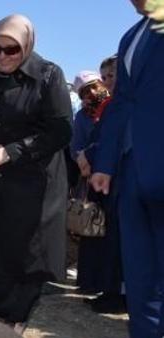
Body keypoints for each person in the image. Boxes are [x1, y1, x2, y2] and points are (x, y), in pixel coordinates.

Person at [0, 14, 72, 333]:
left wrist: (11, 151)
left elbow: (60, 130)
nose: (2, 56)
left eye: (11, 50)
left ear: (27, 46)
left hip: (33, 185)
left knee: (21, 254)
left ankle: (12, 323)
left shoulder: (48, 76)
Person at [89, 1, 164, 338]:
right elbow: (121, 104)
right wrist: (105, 163)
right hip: (133, 171)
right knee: (140, 274)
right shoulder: (132, 35)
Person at [69, 71, 125, 314]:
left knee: (113, 236)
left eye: (95, 85)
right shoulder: (82, 116)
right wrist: (83, 159)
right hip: (90, 179)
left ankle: (114, 289)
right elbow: (76, 145)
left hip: (116, 178)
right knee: (93, 230)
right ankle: (93, 282)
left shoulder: (119, 106)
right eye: (84, 91)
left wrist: (92, 156)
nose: (91, 93)